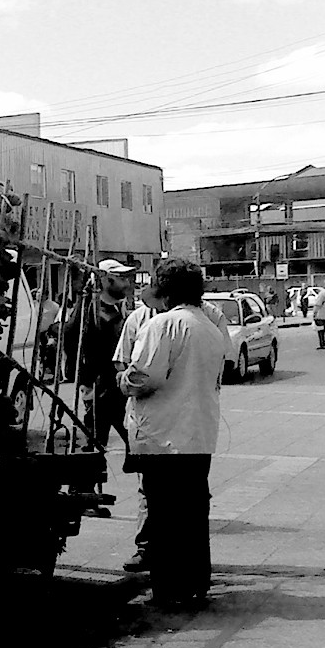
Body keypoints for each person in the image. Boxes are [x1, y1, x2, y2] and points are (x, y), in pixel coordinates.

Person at [118, 259, 226, 609]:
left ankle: (169, 590)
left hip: (163, 436)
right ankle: (196, 582)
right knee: (193, 512)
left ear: (166, 292)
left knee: (163, 515)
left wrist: (122, 382)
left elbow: (144, 377)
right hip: (199, 434)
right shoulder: (209, 327)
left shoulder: (163, 325)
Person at [61, 258, 137, 451]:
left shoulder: (119, 309)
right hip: (100, 388)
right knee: (95, 446)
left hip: (119, 386)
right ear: (106, 280)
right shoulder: (91, 311)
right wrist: (85, 380)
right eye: (120, 278)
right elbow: (71, 338)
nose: (126, 283)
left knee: (135, 443)